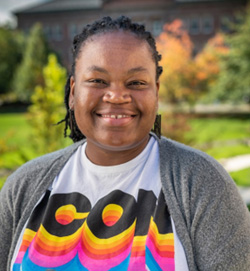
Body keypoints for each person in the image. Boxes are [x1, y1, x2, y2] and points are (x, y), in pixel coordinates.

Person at [0, 16, 250, 271]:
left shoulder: (202, 183)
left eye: (136, 83)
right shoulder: (25, 185)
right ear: (73, 92)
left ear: (156, 93)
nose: (117, 96)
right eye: (98, 81)